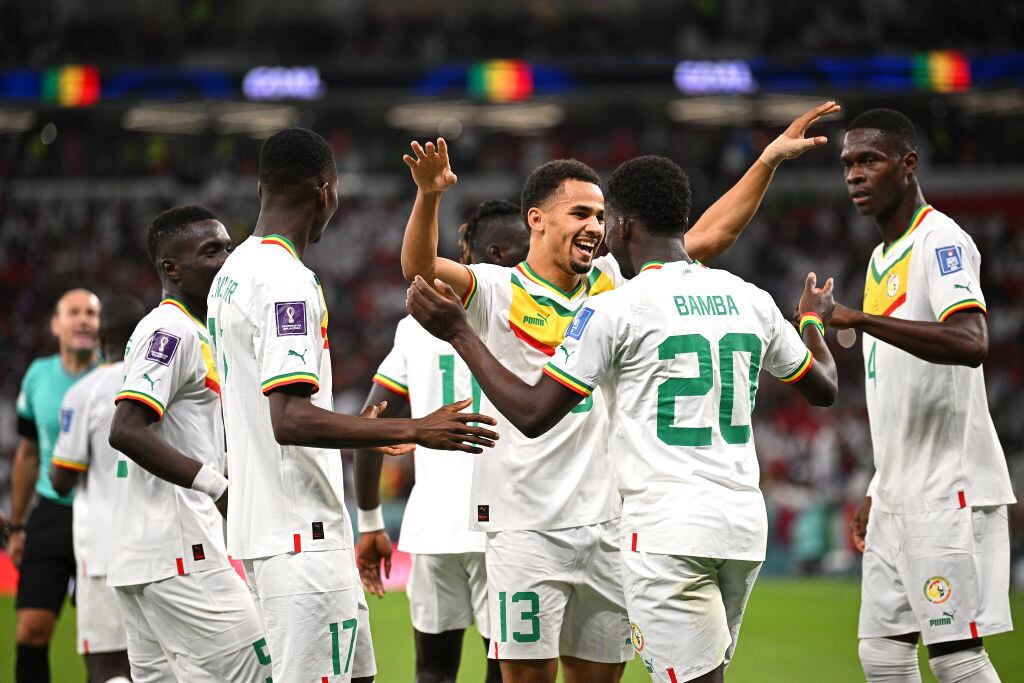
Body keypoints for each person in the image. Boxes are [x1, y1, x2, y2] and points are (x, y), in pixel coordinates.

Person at [399, 102, 839, 683]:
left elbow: (708, 234)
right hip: (524, 524)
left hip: (611, 524)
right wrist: (429, 196)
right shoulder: (494, 288)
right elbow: (418, 268)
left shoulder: (614, 284)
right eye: (580, 213)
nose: (596, 227)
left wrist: (765, 162)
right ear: (537, 220)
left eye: (603, 215)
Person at [207, 127, 499, 683]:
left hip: (279, 532)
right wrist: (419, 429)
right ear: (326, 192)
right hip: (300, 539)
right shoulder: (286, 281)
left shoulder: (232, 273)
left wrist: (360, 430)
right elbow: (288, 418)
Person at [832, 109, 1016, 683]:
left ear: (908, 165)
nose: (855, 175)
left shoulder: (942, 240)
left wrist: (858, 319)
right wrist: (878, 484)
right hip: (899, 492)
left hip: (948, 488)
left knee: (956, 657)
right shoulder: (879, 257)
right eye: (847, 165)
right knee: (883, 654)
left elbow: (970, 340)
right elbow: (898, 392)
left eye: (870, 160)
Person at [354, 199, 528, 683]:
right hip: (509, 527)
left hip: (434, 528)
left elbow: (370, 425)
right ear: (498, 254)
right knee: (509, 669)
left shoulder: (414, 327)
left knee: (433, 671)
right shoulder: (539, 324)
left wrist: (370, 523)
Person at [106, 206, 271, 681]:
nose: (226, 258)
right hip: (181, 550)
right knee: (258, 673)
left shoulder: (196, 330)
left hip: (148, 555)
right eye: (210, 251)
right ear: (170, 268)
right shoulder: (171, 330)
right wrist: (218, 487)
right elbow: (127, 428)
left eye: (227, 246)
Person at [51, 294, 147, 682]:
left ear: (102, 337)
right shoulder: (165, 382)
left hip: (104, 549)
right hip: (161, 543)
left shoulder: (83, 392)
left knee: (108, 666)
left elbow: (61, 480)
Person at [9, 288, 100, 682]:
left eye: (92, 314)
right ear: (55, 324)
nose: (83, 320)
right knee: (30, 630)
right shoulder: (37, 376)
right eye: (74, 312)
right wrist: (16, 526)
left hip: (102, 515)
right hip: (51, 511)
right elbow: (28, 454)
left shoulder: (116, 375)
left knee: (103, 636)